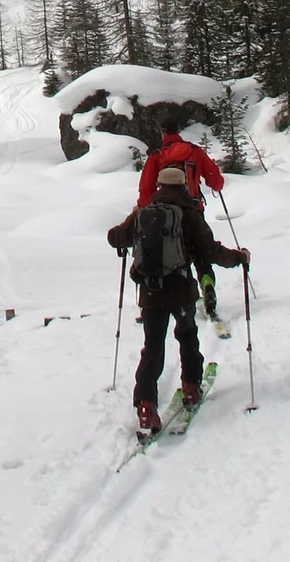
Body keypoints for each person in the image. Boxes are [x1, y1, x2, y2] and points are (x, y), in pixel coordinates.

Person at [107, 166, 249, 436]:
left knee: (153, 348)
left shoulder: (143, 214)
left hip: (150, 293)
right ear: (184, 186)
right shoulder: (190, 215)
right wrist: (239, 257)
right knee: (187, 336)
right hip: (181, 289)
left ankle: (146, 404)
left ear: (159, 186)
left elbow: (115, 238)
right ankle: (192, 386)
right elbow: (210, 251)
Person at [135, 123, 228, 324]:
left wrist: (142, 212)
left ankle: (156, 298)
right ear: (179, 131)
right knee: (202, 253)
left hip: (162, 217)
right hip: (194, 211)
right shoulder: (193, 152)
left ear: (162, 132)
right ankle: (207, 286)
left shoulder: (156, 156)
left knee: (167, 255)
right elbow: (216, 181)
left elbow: (146, 189)